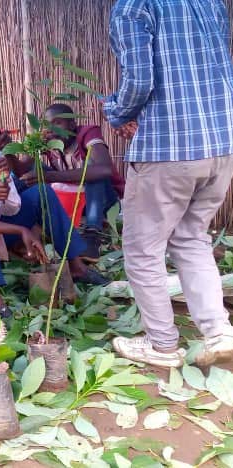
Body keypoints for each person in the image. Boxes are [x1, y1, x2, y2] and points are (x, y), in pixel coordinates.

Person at [104, 0, 233, 368]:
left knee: (143, 249)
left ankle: (162, 345)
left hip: (169, 146)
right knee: (192, 237)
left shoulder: (134, 6)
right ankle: (219, 331)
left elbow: (140, 80)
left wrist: (117, 111)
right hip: (222, 144)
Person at [0, 107, 109, 287]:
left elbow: (12, 208)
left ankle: (77, 266)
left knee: (42, 191)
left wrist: (3, 188)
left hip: (2, 228)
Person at [13, 103, 125, 260]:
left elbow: (105, 169)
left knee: (92, 169)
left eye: (58, 123)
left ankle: (92, 235)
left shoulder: (87, 134)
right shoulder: (50, 141)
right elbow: (20, 170)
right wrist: (19, 150)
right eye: (48, 125)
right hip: (72, 200)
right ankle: (15, 219)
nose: (52, 129)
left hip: (102, 201)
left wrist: (51, 177)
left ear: (72, 124)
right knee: (32, 169)